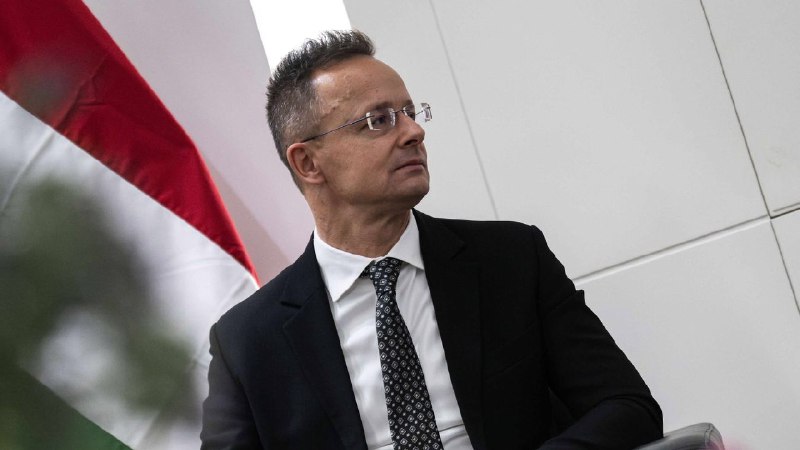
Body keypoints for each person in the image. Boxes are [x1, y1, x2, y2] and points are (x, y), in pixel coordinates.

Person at [201, 30, 662, 450]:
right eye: (378, 121)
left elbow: (627, 406)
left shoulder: (511, 260)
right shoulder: (246, 340)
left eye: (409, 113)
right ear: (307, 163)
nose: (414, 132)